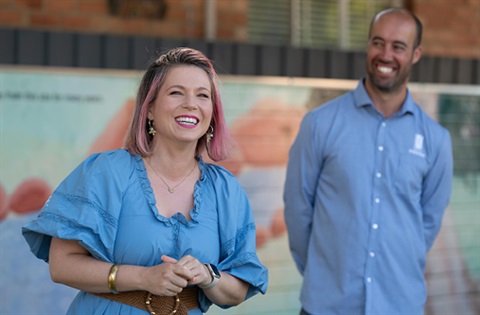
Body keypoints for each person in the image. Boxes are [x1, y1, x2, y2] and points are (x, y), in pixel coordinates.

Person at [23, 47, 268, 315]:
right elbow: (62, 266)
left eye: (203, 95)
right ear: (149, 109)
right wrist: (143, 278)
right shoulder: (106, 171)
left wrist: (209, 276)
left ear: (212, 113)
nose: (191, 103)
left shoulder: (226, 189)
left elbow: (238, 291)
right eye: (176, 92)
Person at [284, 7, 453, 315]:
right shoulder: (320, 123)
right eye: (378, 42)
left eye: (398, 46)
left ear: (416, 54)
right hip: (327, 306)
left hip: (399, 305)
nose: (385, 54)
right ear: (367, 46)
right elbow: (298, 210)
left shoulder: (436, 140)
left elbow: (427, 225)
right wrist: (324, 274)